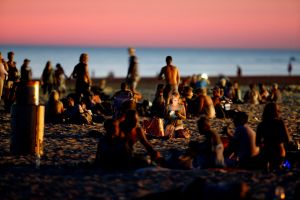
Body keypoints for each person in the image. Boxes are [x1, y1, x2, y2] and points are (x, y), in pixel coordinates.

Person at [256, 102, 290, 171]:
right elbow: (287, 139)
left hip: (267, 154)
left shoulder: (261, 125)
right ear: (274, 112)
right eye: (278, 110)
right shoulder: (280, 123)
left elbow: (257, 143)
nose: (279, 112)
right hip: (279, 153)